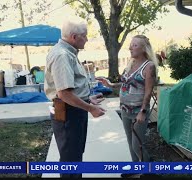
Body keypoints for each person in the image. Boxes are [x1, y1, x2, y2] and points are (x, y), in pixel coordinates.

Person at [44, 20, 106, 178]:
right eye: (84, 36)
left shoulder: (68, 52)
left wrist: (88, 98)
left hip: (71, 109)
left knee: (74, 155)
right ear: (73, 37)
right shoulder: (62, 55)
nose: (86, 39)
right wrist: (91, 108)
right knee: (71, 159)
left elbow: (70, 89)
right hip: (68, 112)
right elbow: (64, 94)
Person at [97, 35, 158, 177]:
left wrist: (143, 111)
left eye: (135, 45)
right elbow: (126, 83)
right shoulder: (130, 64)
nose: (130, 47)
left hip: (138, 110)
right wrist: (111, 85)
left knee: (137, 143)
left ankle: (149, 170)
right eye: (131, 45)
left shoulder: (149, 66)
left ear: (144, 48)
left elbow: (148, 91)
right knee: (130, 141)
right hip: (125, 108)